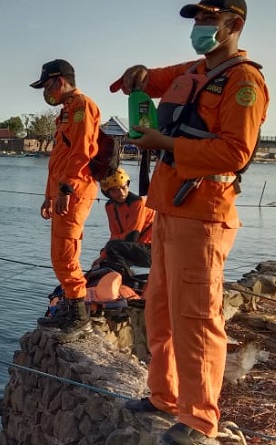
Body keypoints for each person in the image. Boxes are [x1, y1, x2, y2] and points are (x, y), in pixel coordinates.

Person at [112, 0, 269, 443]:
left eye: (208, 19)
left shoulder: (244, 82)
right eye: (196, 18)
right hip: (167, 209)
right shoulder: (195, 71)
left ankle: (200, 421)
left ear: (233, 25)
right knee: (159, 308)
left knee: (196, 318)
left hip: (203, 214)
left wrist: (166, 143)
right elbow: (150, 79)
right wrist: (136, 76)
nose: (199, 26)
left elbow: (235, 153)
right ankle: (164, 396)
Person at [30, 59, 101, 340]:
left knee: (66, 252)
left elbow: (82, 154)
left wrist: (66, 191)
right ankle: (70, 308)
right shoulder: (66, 113)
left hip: (76, 191)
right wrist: (50, 196)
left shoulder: (83, 107)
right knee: (59, 254)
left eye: (47, 86)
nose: (46, 93)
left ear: (60, 81)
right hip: (63, 193)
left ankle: (80, 316)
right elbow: (58, 161)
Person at [93, 167, 156, 282]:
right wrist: (102, 257)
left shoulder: (138, 203)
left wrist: (111, 245)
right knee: (108, 253)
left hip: (153, 250)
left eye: (123, 188)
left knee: (113, 247)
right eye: (115, 190)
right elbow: (115, 234)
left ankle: (127, 280)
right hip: (135, 248)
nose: (121, 193)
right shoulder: (110, 207)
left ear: (128, 186)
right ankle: (122, 278)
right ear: (107, 192)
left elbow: (132, 236)